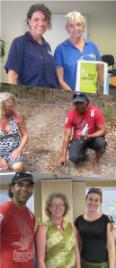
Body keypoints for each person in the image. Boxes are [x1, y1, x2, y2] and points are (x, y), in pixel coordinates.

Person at [4, 4, 59, 89]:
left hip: (51, 97)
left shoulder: (47, 46)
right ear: (29, 21)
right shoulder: (19, 43)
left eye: (44, 20)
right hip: (30, 97)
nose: (41, 23)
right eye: (36, 19)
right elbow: (12, 76)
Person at [54, 11, 101, 91]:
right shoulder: (60, 49)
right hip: (69, 96)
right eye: (71, 26)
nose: (76, 28)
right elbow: (60, 80)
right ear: (67, 29)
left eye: (79, 24)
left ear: (83, 27)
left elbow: (99, 73)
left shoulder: (93, 47)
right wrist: (74, 95)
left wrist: (97, 91)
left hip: (91, 95)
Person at [59, 92, 107, 167]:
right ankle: (83, 153)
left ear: (86, 102)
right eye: (76, 103)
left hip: (92, 137)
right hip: (78, 139)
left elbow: (103, 130)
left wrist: (90, 136)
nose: (79, 105)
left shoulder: (95, 111)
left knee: (101, 143)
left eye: (81, 102)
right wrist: (63, 156)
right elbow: (67, 137)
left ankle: (96, 161)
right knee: (74, 158)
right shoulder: (70, 115)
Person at [35, 192, 81, 268]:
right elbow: (40, 260)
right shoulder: (42, 228)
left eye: (61, 204)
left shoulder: (71, 226)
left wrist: (78, 266)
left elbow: (76, 250)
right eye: (54, 205)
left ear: (65, 207)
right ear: (49, 208)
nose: (58, 207)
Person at [0, 172, 35, 268]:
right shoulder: (3, 211)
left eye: (28, 186)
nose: (24, 188)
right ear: (12, 188)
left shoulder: (31, 215)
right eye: (20, 185)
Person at [74, 187, 115, 268]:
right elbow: (77, 246)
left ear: (100, 202)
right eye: (90, 199)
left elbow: (111, 246)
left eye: (97, 200)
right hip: (84, 262)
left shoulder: (106, 220)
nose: (93, 202)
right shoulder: (78, 221)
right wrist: (77, 265)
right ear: (86, 200)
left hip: (101, 264)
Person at [0, 92, 29, 171]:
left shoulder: (17, 115)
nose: (12, 108)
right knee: (3, 172)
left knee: (18, 167)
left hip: (13, 151)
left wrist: (19, 150)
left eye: (13, 105)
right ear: (1, 106)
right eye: (9, 106)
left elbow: (25, 135)